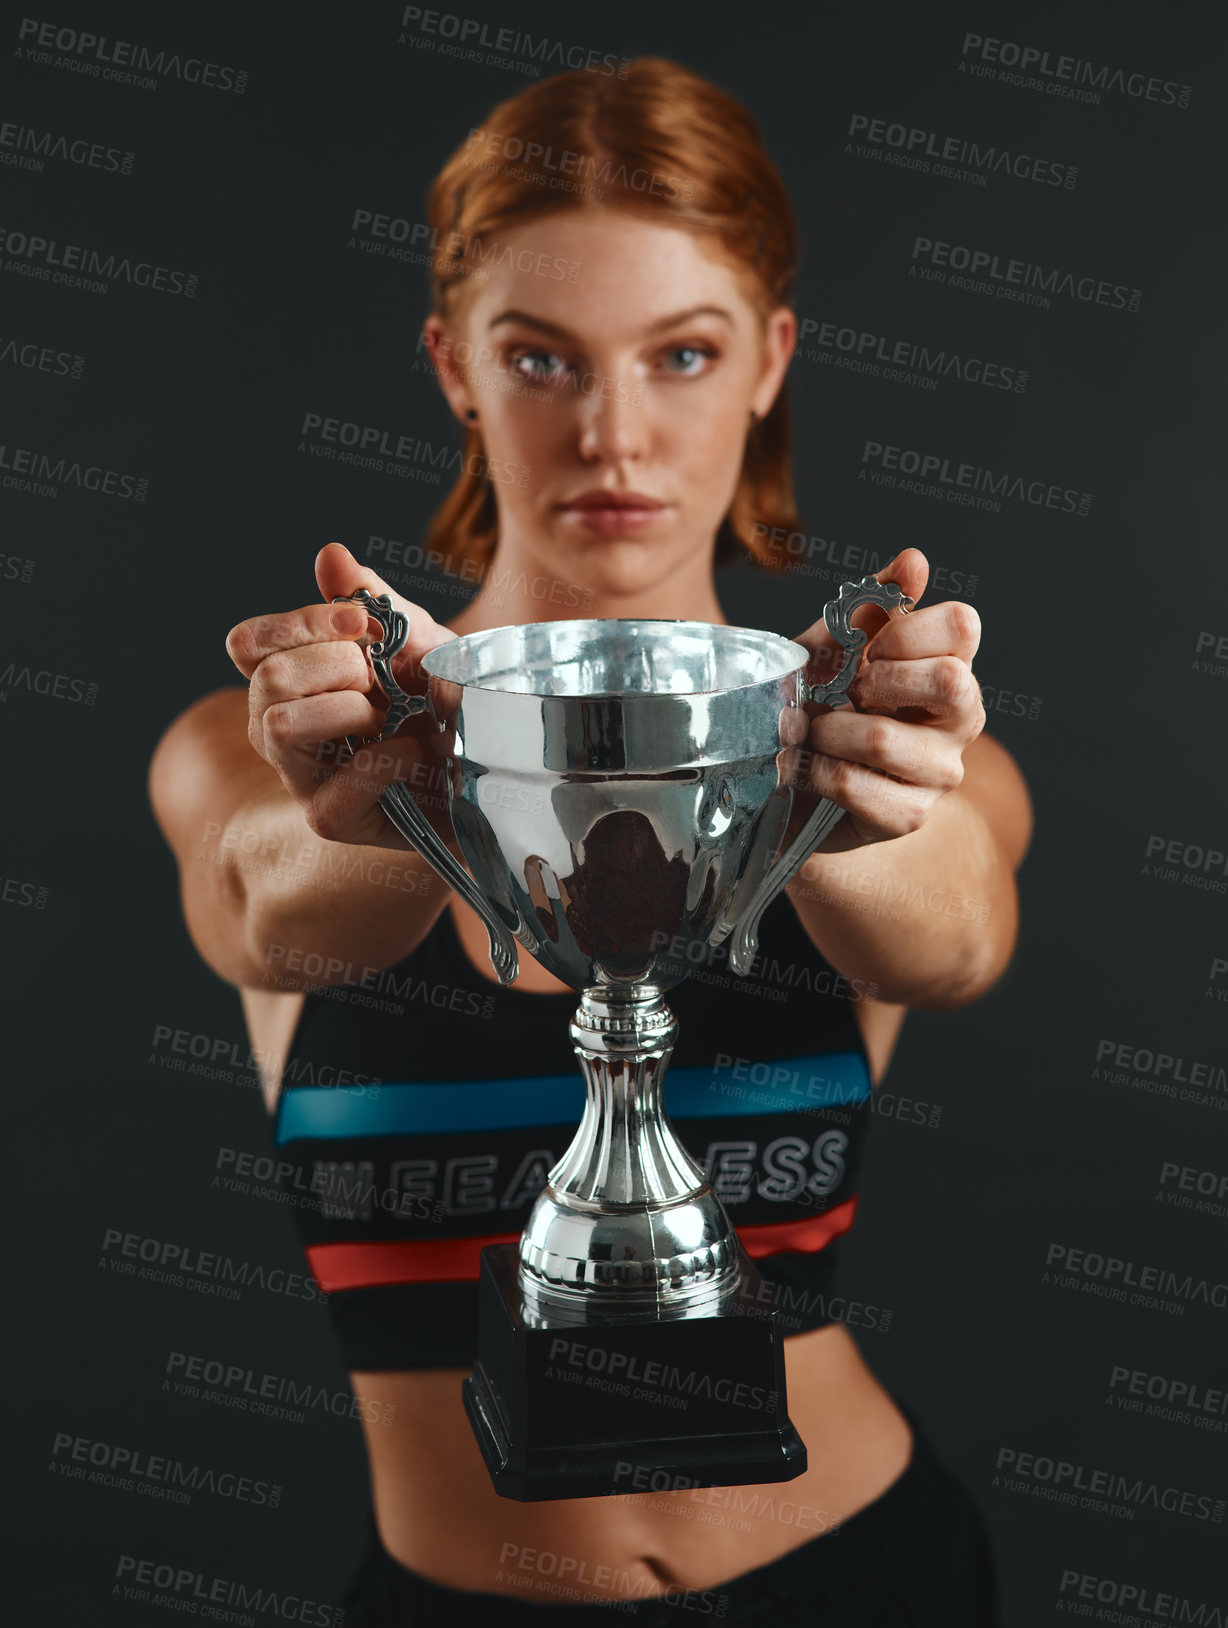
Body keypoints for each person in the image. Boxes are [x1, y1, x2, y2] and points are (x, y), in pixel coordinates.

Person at [150, 56, 1031, 1627]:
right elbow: (264, 915)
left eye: (681, 354)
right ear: (453, 366)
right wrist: (405, 786)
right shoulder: (264, 750)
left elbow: (956, 934)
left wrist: (845, 782)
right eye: (542, 359)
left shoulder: (882, 739)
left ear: (767, 362)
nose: (615, 434)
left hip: (860, 1578)